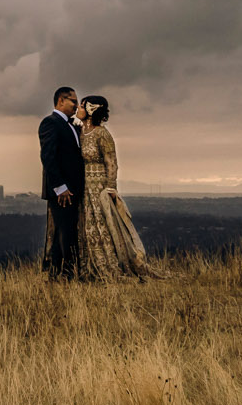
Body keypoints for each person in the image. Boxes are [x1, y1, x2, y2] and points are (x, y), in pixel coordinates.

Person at [74, 95, 164, 281]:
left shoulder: (102, 134)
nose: (78, 108)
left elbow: (111, 163)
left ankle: (111, 264)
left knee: (105, 226)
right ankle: (88, 266)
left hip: (99, 187)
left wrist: (110, 188)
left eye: (82, 106)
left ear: (91, 110)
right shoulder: (80, 132)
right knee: (87, 227)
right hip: (84, 187)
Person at [38, 85, 84, 278]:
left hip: (72, 189)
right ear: (61, 101)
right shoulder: (50, 123)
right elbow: (48, 157)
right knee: (67, 232)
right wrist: (60, 187)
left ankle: (55, 273)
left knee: (61, 232)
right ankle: (70, 273)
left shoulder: (70, 125)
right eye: (73, 101)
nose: (76, 105)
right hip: (62, 190)